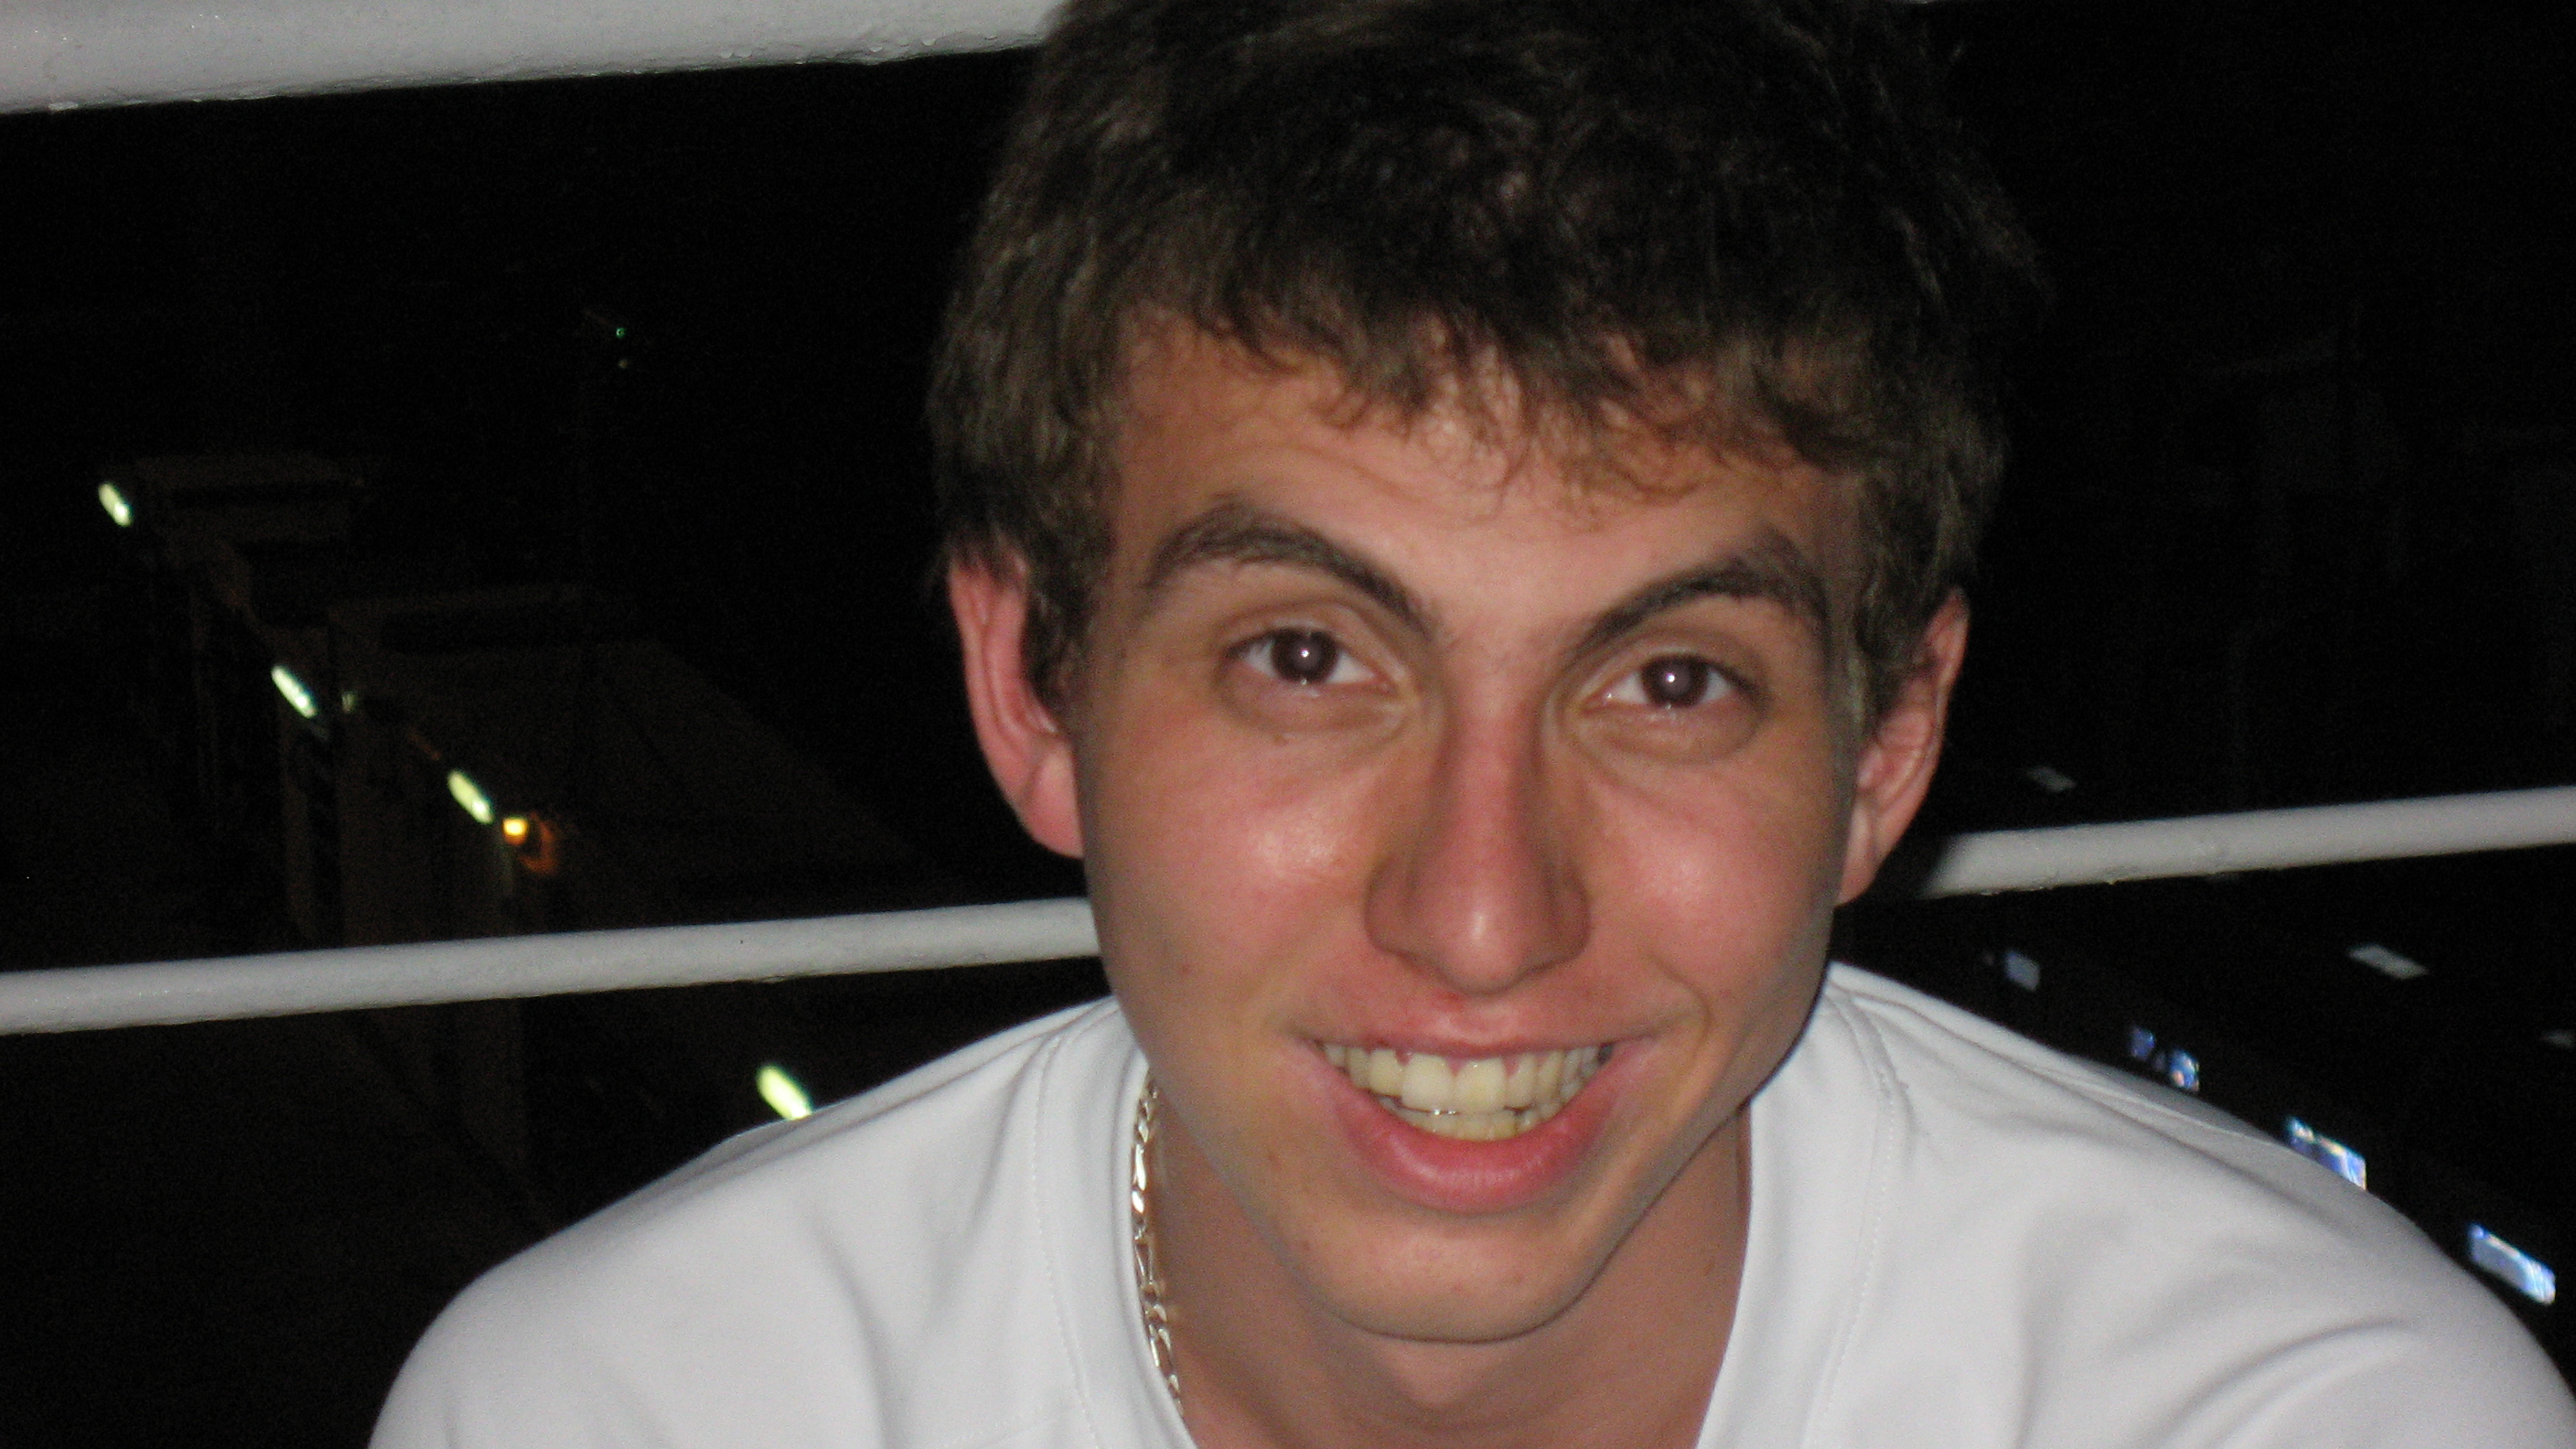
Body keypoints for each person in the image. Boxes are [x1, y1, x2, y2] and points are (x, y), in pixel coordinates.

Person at [373, 0, 2576, 1444]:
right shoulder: (623, 1413)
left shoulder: (2304, 1417)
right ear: (1031, 683)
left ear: (1888, 749)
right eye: (1308, 659)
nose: (1485, 914)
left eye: (1670, 681)